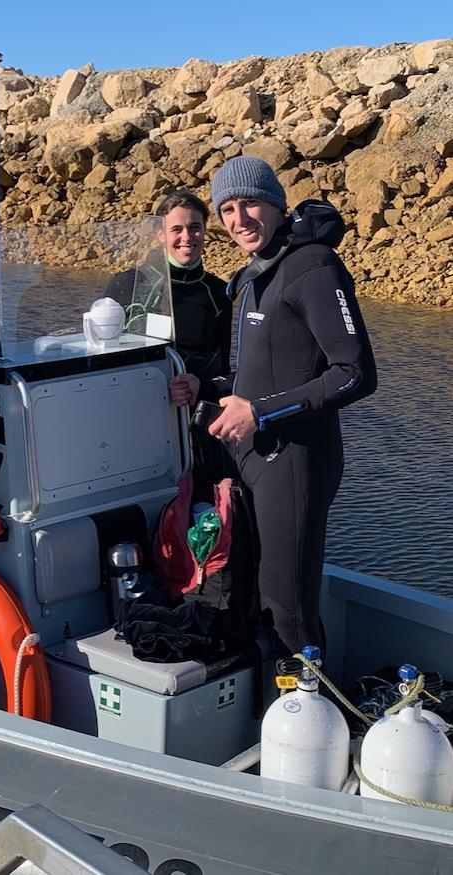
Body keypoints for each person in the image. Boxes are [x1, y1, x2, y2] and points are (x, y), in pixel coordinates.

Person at [206, 155, 377, 656]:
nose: (240, 220)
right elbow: (269, 369)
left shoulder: (314, 266)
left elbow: (355, 374)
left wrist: (259, 413)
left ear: (278, 205)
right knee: (256, 598)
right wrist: (207, 386)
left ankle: (314, 723)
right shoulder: (259, 272)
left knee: (289, 611)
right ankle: (275, 722)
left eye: (251, 204)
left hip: (297, 460)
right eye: (228, 210)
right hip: (257, 458)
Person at [105, 190, 231, 410]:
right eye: (176, 229)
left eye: (195, 227)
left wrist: (200, 387)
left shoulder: (218, 291)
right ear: (160, 234)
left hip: (191, 407)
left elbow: (223, 369)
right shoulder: (127, 283)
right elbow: (101, 358)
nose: (187, 237)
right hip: (136, 403)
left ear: (204, 230)